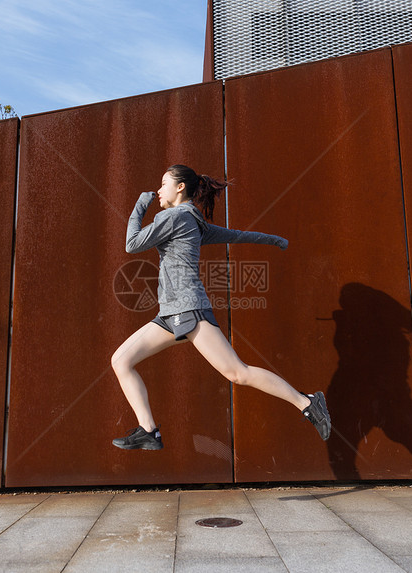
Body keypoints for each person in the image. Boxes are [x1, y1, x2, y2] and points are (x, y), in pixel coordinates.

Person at [110, 164, 331, 450]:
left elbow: (131, 243)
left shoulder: (176, 216)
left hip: (187, 309)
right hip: (170, 313)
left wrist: (141, 204)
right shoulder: (190, 221)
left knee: (237, 372)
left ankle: (308, 402)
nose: (158, 190)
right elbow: (236, 235)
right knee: (121, 361)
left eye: (163, 183)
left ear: (180, 188)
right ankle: (148, 431)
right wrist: (273, 240)